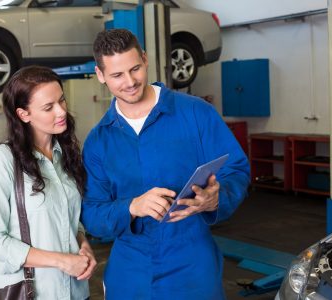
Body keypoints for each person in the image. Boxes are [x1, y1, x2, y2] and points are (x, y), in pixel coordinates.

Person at [81, 29, 250, 299]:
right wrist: (132, 206)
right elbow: (91, 214)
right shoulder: (98, 141)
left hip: (192, 263)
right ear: (100, 75)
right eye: (116, 75)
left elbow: (236, 169)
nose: (130, 82)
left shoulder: (196, 113)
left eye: (135, 69)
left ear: (145, 59)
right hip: (131, 270)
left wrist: (216, 199)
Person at [0, 65, 97, 299]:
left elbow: (68, 219)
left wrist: (82, 244)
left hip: (75, 291)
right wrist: (61, 261)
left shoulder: (66, 155)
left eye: (62, 101)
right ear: (24, 114)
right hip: (29, 292)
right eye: (48, 107)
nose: (61, 112)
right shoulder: (1, 161)